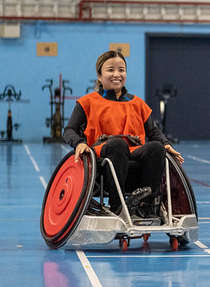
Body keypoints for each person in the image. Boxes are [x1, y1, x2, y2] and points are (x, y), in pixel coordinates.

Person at [63, 50, 184, 221]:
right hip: (102, 157)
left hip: (133, 154)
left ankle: (147, 204)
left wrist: (165, 143)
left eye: (121, 70)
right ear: (99, 76)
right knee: (118, 144)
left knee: (156, 148)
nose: (116, 74)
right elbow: (68, 130)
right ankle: (117, 205)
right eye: (110, 70)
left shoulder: (138, 103)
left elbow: (153, 132)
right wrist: (79, 143)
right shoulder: (87, 102)